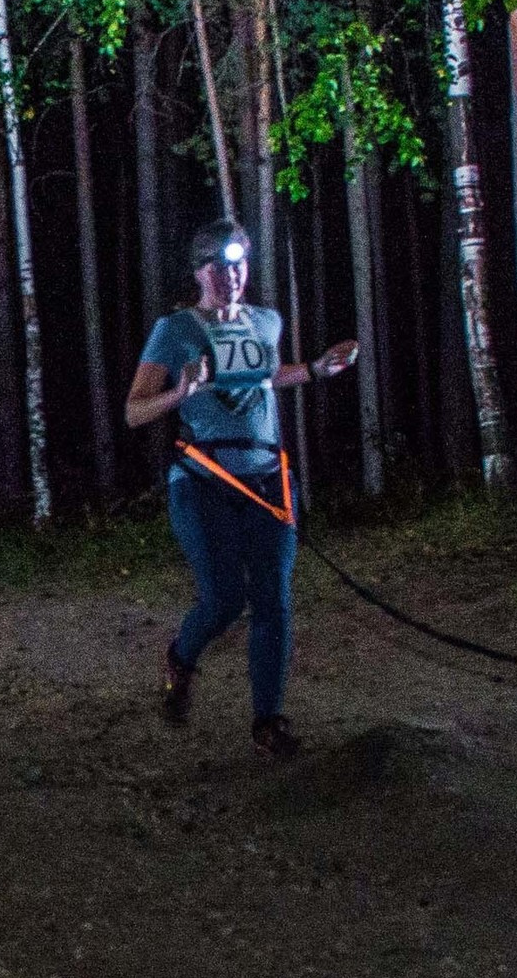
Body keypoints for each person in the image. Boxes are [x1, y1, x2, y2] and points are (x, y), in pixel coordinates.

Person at [124, 220, 355, 759]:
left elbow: (266, 378)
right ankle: (182, 658)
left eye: (240, 264)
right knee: (225, 598)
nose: (233, 275)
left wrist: (318, 370)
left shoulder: (265, 321)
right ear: (199, 272)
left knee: (274, 601)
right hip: (203, 482)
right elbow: (134, 412)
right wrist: (181, 392)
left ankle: (268, 722)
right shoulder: (174, 330)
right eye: (220, 267)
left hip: (269, 479)